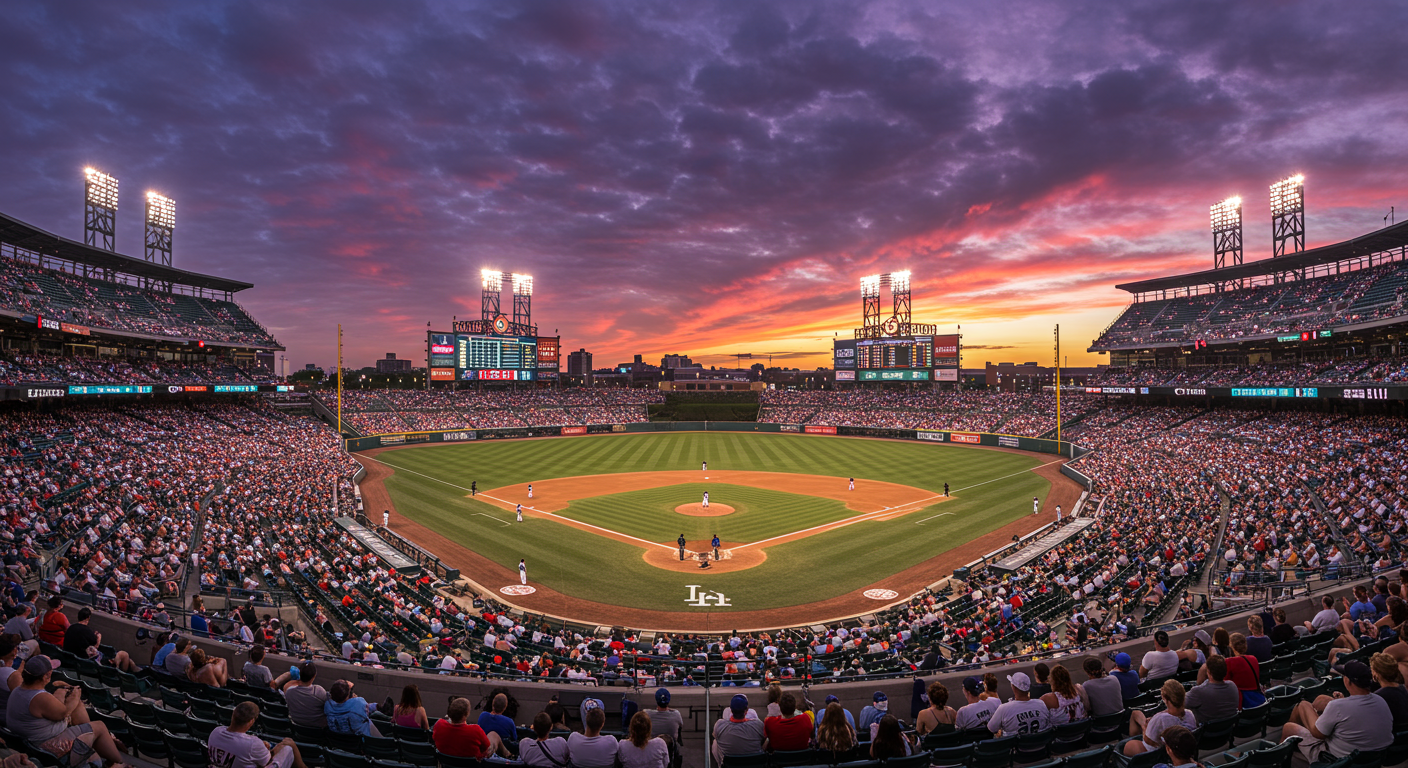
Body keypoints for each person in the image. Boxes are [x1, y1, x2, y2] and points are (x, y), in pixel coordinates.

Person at [5, 655, 127, 766]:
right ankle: (119, 762)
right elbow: (63, 713)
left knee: (77, 708)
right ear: (46, 675)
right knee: (99, 726)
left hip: (30, 741)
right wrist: (75, 696)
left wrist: (64, 694)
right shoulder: (39, 697)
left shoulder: (18, 690)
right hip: (45, 746)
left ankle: (101, 744)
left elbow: (54, 708)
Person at [1280, 660, 1393, 764]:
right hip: (1373, 758)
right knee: (1322, 700)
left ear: (1348, 681)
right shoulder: (1380, 700)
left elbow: (1318, 734)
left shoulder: (1338, 706)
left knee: (1292, 722)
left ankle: (1280, 757)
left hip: (1338, 760)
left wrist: (1311, 712)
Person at [209, 701, 306, 768]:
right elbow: (266, 762)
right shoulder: (252, 743)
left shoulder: (216, 731)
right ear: (251, 721)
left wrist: (260, 748)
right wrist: (277, 747)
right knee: (287, 747)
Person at [1124, 679, 1196, 756]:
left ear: (1165, 699)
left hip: (1156, 753)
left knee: (1128, 745)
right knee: (1136, 713)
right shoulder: (1189, 714)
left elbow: (1148, 741)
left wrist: (1144, 728)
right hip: (1179, 748)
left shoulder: (1160, 719)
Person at [434, 697, 503, 759]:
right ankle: (508, 755)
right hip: (476, 763)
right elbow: (486, 748)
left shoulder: (439, 725)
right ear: (467, 714)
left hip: (446, 762)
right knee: (493, 735)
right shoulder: (475, 730)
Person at [1184, 655, 1240, 725]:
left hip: (1207, 730)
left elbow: (1179, 703)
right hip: (1228, 728)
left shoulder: (1198, 691)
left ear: (1208, 672)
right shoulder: (1232, 686)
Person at [712, 694, 766, 764]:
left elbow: (714, 735)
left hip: (730, 764)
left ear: (731, 710)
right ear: (746, 711)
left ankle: (720, 764)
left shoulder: (720, 724)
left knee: (715, 742)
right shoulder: (758, 725)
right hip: (753, 764)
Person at [282, 662, 329, 729]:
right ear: (314, 676)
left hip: (296, 727)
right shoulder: (319, 691)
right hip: (317, 729)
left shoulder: (289, 691)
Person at [1224, 633, 1265, 708]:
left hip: (1242, 701)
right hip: (1257, 699)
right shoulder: (1253, 659)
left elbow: (1225, 683)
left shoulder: (1229, 662)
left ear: (1232, 647)